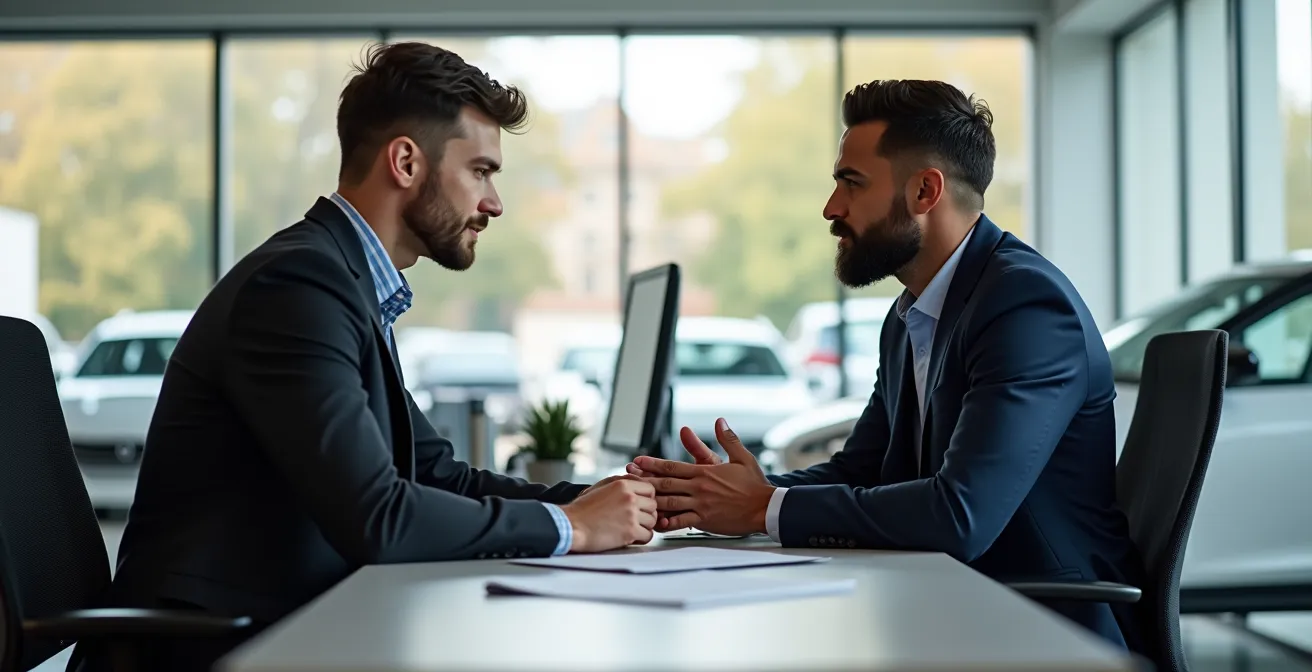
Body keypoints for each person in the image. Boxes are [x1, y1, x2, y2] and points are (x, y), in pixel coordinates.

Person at [72, 42, 655, 672]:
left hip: (285, 622)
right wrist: (572, 526)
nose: (494, 203)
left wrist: (608, 499)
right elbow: (379, 518)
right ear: (405, 161)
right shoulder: (297, 286)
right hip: (213, 646)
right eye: (481, 171)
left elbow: (437, 477)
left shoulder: (341, 281)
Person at [628, 80, 1144, 651]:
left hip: (1043, 629)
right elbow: (864, 471)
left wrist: (762, 506)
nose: (831, 209)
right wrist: (717, 494)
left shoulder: (1025, 307)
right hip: (950, 607)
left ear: (925, 191)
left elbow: (959, 515)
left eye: (851, 183)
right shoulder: (909, 318)